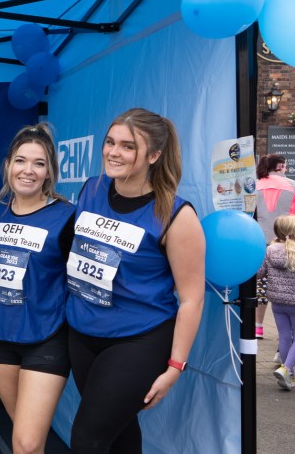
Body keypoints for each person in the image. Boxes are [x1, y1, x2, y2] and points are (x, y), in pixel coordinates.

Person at [65, 108, 204, 453]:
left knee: (87, 439)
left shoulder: (175, 214)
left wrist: (175, 368)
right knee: (120, 432)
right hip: (82, 334)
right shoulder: (90, 189)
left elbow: (191, 299)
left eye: (128, 146)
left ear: (154, 155)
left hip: (138, 340)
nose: (114, 152)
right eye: (110, 142)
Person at [0, 124, 75, 454]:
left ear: (49, 171)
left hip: (45, 339)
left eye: (39, 163)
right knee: (26, 442)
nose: (28, 170)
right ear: (8, 165)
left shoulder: (67, 218)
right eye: (21, 161)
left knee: (25, 441)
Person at [254, 154, 295, 339]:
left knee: (260, 284)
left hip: (259, 240)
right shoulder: (293, 186)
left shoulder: (254, 184)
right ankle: (289, 331)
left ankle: (258, 326)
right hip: (285, 242)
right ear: (281, 166)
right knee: (287, 286)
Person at [259, 215, 295, 390]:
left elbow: (260, 273)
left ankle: (289, 375)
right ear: (294, 233)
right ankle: (287, 369)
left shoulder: (269, 251)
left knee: (285, 336)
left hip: (277, 303)